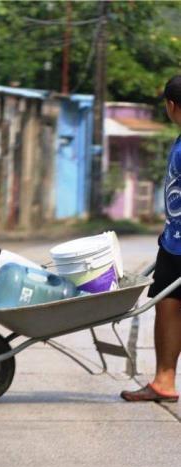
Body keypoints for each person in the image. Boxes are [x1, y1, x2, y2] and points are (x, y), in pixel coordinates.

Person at [121, 75, 181, 404]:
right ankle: (164, 381)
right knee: (168, 306)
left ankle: (164, 380)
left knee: (170, 308)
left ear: (171, 106)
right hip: (173, 243)